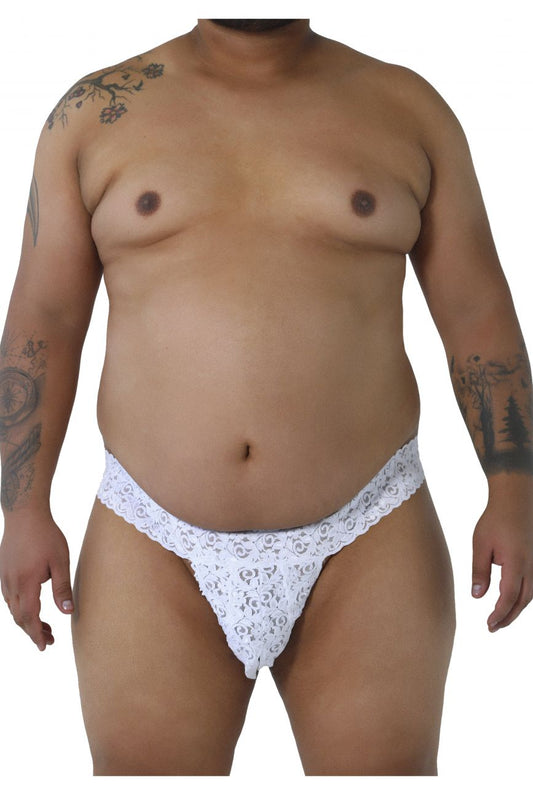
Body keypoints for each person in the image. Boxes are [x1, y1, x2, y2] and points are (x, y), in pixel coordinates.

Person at [0, 17, 531, 777]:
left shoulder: (407, 108)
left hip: (369, 534)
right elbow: (44, 322)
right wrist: (22, 510)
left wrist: (514, 491)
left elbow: (476, 314)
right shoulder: (93, 114)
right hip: (149, 539)